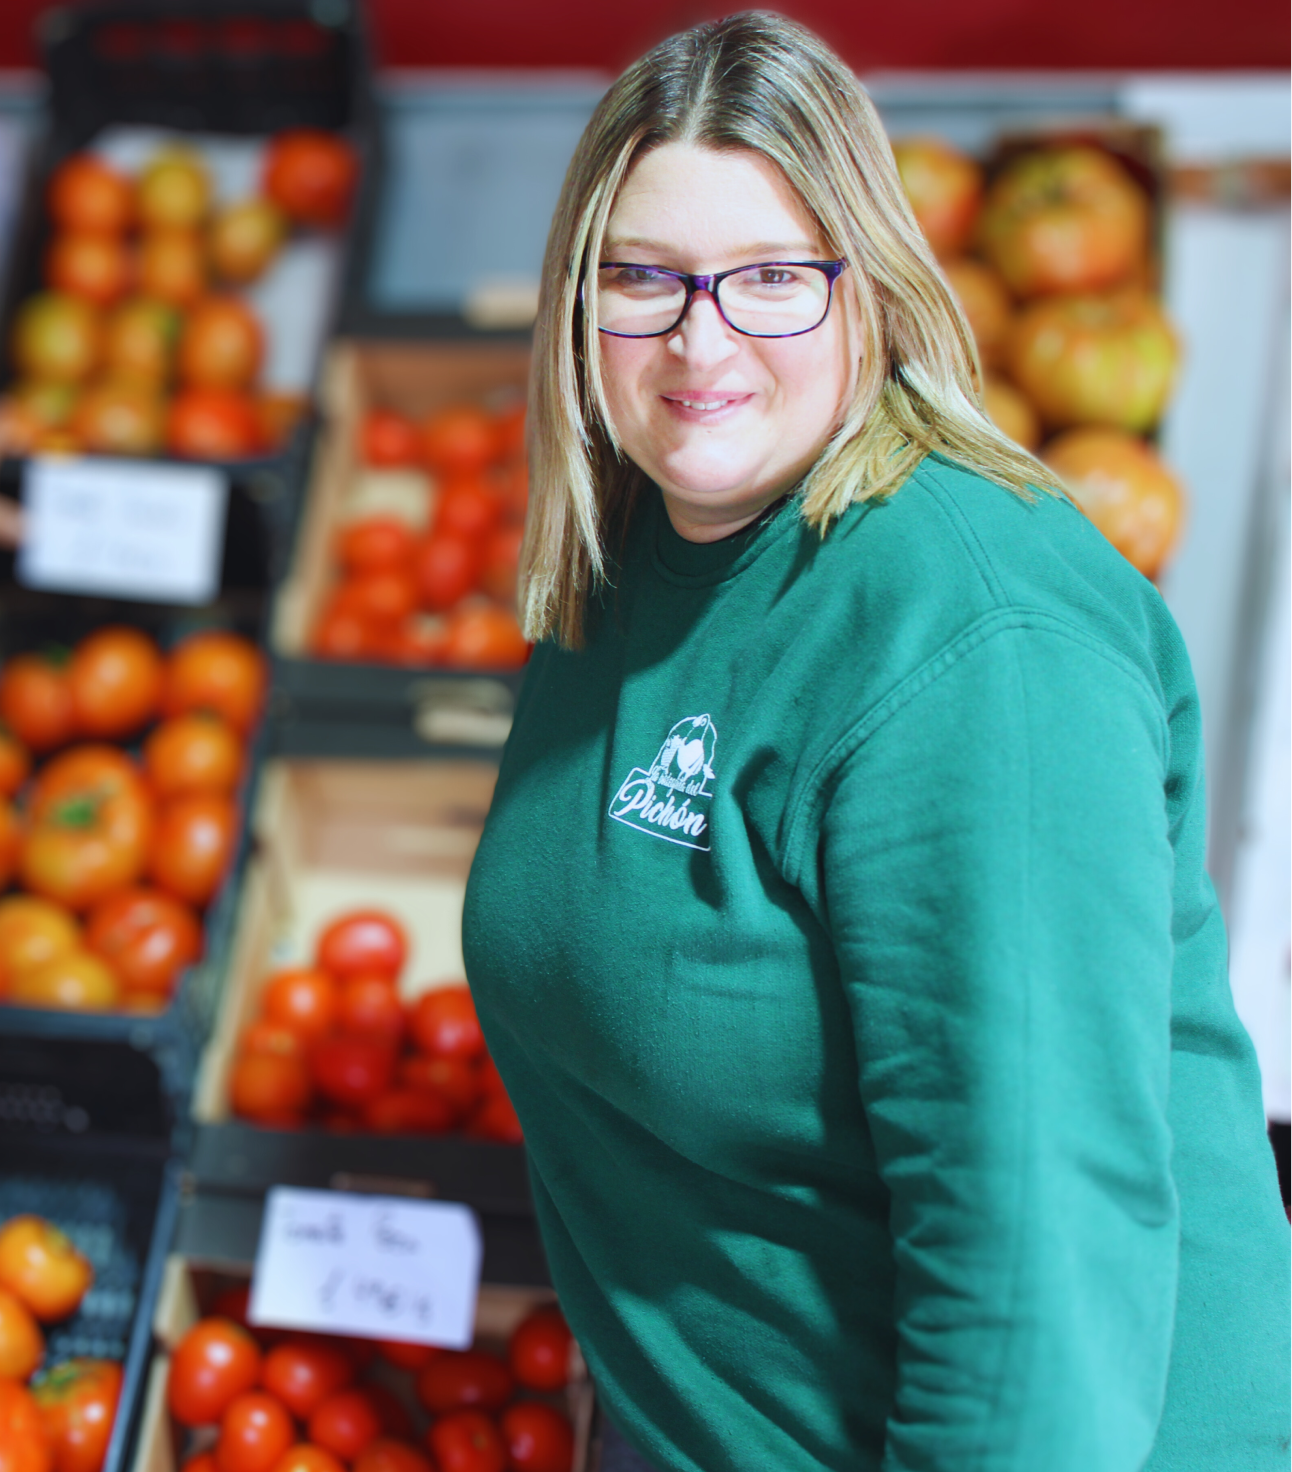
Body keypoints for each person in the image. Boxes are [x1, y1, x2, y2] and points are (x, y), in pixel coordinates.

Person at [462, 13, 1292, 1471]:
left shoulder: (979, 642)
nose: (698, 340)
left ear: (875, 289)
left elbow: (1038, 1277)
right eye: (643, 278)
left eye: (773, 278)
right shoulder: (637, 542)